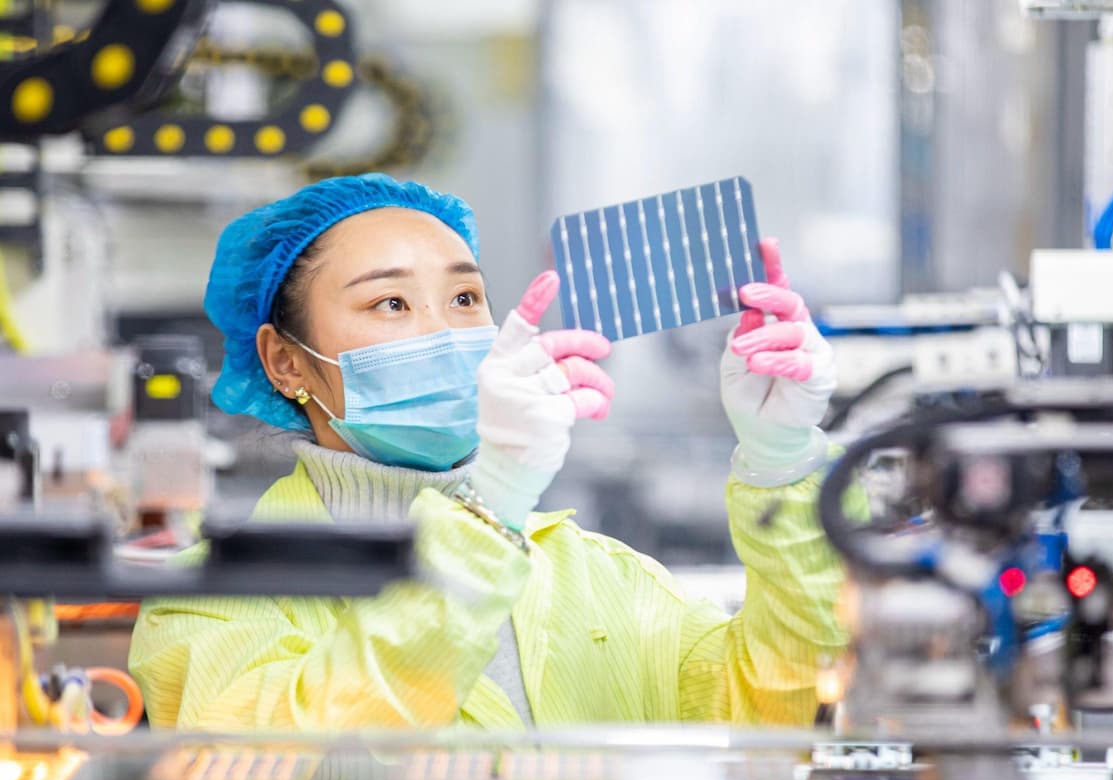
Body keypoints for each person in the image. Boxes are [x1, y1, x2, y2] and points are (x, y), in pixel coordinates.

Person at [128, 173, 848, 731]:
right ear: (285, 362)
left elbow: (778, 712)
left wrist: (780, 461)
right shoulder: (209, 598)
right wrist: (488, 508)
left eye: (466, 299)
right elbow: (300, 774)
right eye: (391, 304)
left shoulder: (599, 580)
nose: (445, 334)